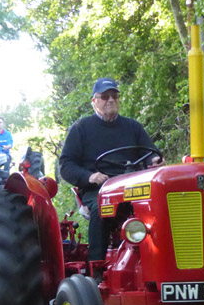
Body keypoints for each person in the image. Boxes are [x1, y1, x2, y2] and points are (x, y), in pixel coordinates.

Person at [60, 77, 165, 262]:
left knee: (161, 205)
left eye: (114, 96)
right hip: (98, 188)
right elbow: (66, 165)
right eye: (104, 96)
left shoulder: (133, 127)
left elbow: (150, 152)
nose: (110, 100)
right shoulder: (81, 128)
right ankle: (97, 266)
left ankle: (163, 258)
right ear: (94, 101)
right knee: (102, 209)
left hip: (134, 186)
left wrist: (155, 159)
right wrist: (90, 176)